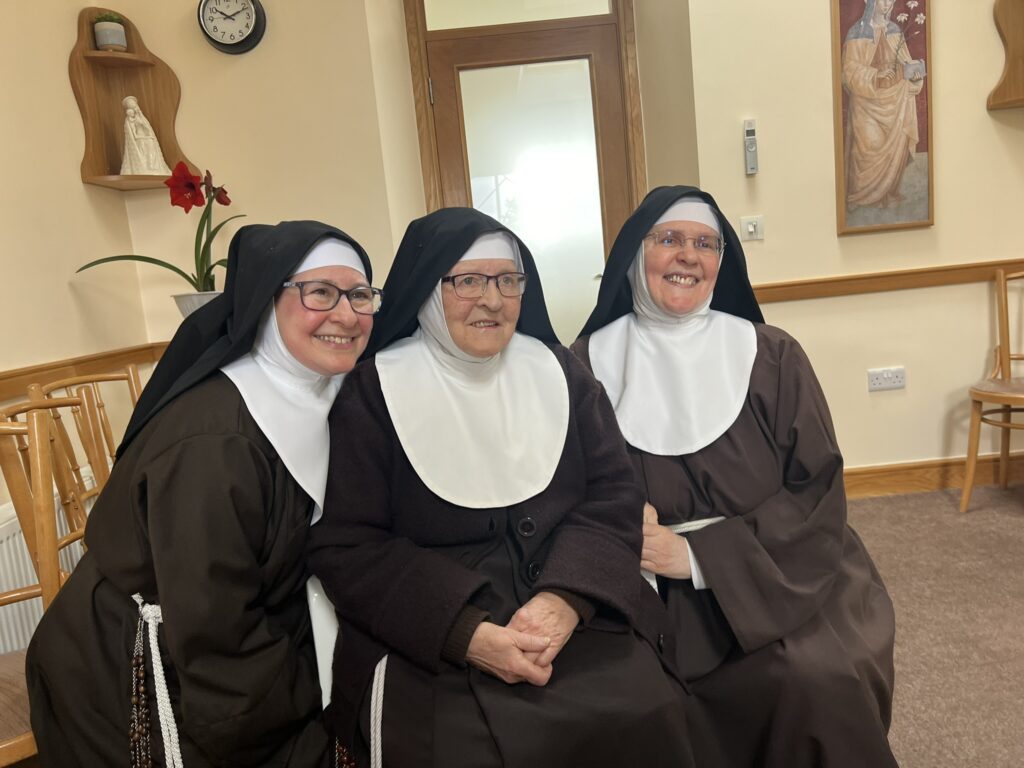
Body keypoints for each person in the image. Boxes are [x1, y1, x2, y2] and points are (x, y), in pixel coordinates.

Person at [308, 207, 695, 768]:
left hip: (573, 608)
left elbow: (614, 494)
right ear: (427, 290)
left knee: (647, 712)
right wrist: (465, 633)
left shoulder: (560, 372)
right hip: (432, 633)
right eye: (468, 281)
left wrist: (567, 600)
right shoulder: (373, 392)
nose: (492, 300)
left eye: (508, 281)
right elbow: (350, 546)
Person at [27, 221, 382, 767]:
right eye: (319, 292)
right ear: (267, 301)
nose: (347, 314)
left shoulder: (321, 392)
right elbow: (215, 627)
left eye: (359, 294)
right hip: (144, 671)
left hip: (241, 642)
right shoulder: (216, 442)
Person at [573, 186, 898, 767]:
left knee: (814, 682)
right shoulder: (584, 366)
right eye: (669, 239)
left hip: (775, 571)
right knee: (627, 707)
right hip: (640, 584)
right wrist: (621, 524)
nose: (688, 255)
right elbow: (562, 491)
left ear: (722, 263)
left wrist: (698, 557)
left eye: (706, 244)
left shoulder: (772, 356)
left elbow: (815, 490)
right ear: (634, 255)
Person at [841, 0, 925, 209]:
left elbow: (905, 63)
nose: (888, 4)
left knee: (896, 147)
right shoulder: (857, 33)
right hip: (866, 104)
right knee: (869, 146)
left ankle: (888, 192)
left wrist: (914, 74)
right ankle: (859, 196)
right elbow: (849, 72)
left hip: (895, 101)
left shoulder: (895, 31)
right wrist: (876, 77)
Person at [120, 95, 173, 176]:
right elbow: (132, 132)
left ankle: (153, 166)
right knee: (143, 144)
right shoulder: (129, 121)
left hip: (145, 137)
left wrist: (148, 134)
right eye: (131, 110)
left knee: (150, 143)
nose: (133, 112)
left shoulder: (141, 118)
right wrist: (136, 135)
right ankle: (146, 167)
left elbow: (147, 127)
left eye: (134, 107)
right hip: (139, 138)